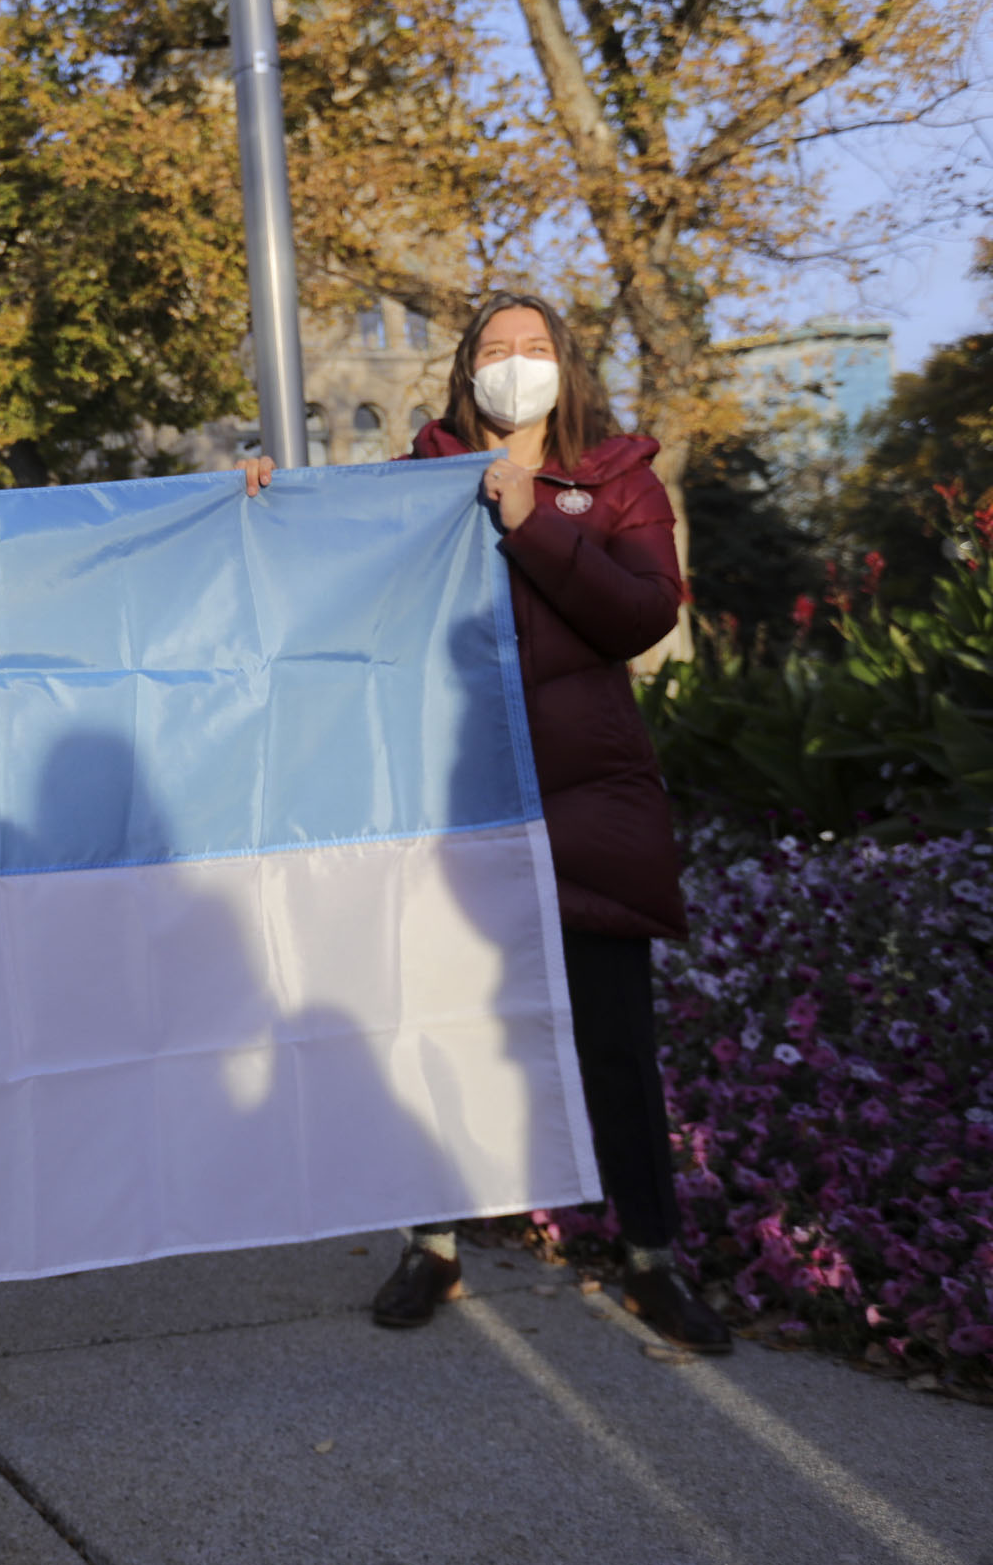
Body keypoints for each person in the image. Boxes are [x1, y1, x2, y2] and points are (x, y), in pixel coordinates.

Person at [366, 289, 731, 1353]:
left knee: (616, 1042)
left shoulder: (617, 481)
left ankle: (652, 1258)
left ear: (564, 367)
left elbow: (641, 611)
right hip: (453, 798)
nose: (515, 364)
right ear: (466, 370)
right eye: (496, 348)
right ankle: (432, 1245)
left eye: (535, 349)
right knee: (439, 1031)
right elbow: (330, 580)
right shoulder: (412, 484)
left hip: (587, 799)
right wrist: (264, 499)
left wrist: (531, 521)